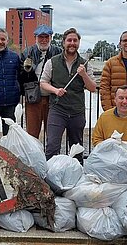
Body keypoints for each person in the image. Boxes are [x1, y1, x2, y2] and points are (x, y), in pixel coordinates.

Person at [40, 27, 97, 161]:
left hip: (77, 111)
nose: (72, 43)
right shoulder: (52, 62)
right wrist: (55, 90)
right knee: (52, 146)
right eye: (69, 40)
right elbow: (43, 82)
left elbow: (93, 88)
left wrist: (83, 75)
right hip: (57, 110)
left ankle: (76, 176)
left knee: (76, 148)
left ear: (78, 43)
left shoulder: (85, 64)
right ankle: (50, 177)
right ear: (63, 42)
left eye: (75, 40)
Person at [19, 25, 63, 138]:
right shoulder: (27, 52)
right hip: (33, 97)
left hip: (53, 98)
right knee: (32, 133)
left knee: (52, 133)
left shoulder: (58, 52)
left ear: (50, 38)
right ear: (35, 38)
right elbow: (20, 77)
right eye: (41, 37)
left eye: (46, 37)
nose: (44, 40)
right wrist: (26, 70)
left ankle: (51, 155)